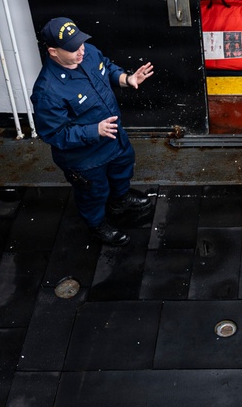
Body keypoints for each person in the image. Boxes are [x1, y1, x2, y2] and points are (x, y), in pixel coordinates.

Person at [31, 17, 154, 246]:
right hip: (85, 158)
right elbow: (54, 134)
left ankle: (120, 200)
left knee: (122, 169)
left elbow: (105, 66)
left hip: (113, 138)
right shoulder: (47, 91)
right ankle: (97, 225)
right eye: (72, 49)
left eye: (81, 44)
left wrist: (126, 79)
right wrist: (94, 130)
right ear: (53, 52)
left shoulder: (87, 53)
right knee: (93, 194)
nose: (81, 51)